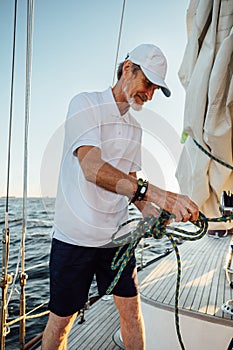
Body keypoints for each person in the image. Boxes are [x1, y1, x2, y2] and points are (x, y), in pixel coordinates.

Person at [41, 43, 199, 350]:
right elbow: (91, 166)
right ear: (128, 69)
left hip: (116, 238)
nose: (150, 95)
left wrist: (151, 213)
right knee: (61, 323)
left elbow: (131, 185)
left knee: (130, 311)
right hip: (74, 239)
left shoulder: (135, 130)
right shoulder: (85, 104)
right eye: (147, 84)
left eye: (156, 89)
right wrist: (160, 195)